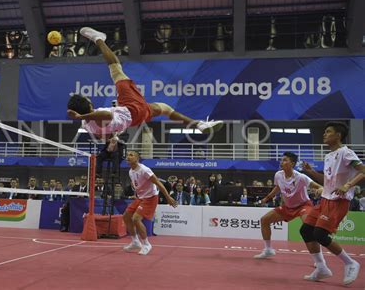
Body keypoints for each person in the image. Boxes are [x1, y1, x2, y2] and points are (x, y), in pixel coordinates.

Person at [67, 27, 223, 139]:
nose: (90, 101)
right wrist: (81, 116)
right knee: (116, 70)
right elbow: (105, 114)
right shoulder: (92, 119)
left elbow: (106, 136)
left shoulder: (89, 127)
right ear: (86, 107)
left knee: (165, 109)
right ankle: (98, 39)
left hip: (135, 119)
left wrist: (113, 131)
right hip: (131, 108)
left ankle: (199, 125)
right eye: (88, 101)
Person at [300, 122, 364, 285]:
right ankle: (321, 268)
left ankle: (351, 263)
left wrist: (348, 185)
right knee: (306, 230)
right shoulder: (328, 156)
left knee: (320, 234)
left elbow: (363, 171)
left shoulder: (346, 152)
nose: (324, 134)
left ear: (338, 136)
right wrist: (311, 172)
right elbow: (327, 181)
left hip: (338, 201)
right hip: (325, 199)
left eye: (328, 132)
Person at [254, 152, 324, 259]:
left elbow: (317, 186)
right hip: (288, 207)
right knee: (264, 220)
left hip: (303, 206)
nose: (282, 162)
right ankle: (268, 250)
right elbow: (277, 187)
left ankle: (319, 259)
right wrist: (267, 198)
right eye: (282, 160)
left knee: (309, 228)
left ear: (292, 163)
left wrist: (320, 189)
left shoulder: (301, 177)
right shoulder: (278, 175)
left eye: (285, 160)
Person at [123, 151, 177, 255]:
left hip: (151, 198)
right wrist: (137, 191)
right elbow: (136, 184)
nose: (128, 157)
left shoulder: (145, 170)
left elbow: (158, 183)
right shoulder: (131, 171)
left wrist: (168, 197)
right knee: (126, 216)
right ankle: (135, 242)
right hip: (140, 197)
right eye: (127, 155)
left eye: (131, 155)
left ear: (137, 158)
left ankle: (146, 244)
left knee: (136, 219)